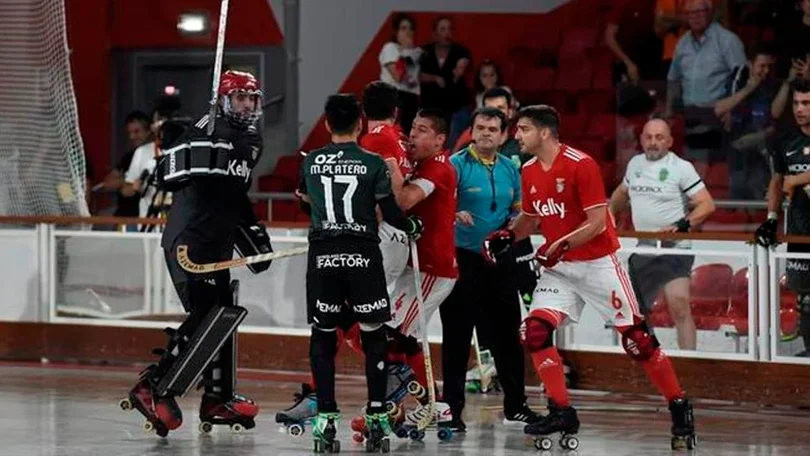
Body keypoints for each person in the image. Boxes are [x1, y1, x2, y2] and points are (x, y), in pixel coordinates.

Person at [483, 105, 697, 450]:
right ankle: (561, 410)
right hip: (561, 268)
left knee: (638, 341)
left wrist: (560, 245)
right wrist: (506, 236)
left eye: (522, 129)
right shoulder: (528, 170)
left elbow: (598, 222)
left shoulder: (581, 165)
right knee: (535, 332)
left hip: (599, 264)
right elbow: (529, 218)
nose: (516, 136)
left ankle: (679, 406)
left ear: (545, 133)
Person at [122, 71, 272, 436]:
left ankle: (217, 398)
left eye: (252, 98)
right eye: (240, 97)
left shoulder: (251, 140)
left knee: (224, 317)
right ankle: (153, 387)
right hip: (190, 241)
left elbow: (235, 194)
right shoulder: (205, 130)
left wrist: (253, 237)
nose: (248, 105)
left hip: (217, 242)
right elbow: (166, 174)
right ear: (222, 99)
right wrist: (190, 146)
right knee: (207, 315)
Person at [297, 93, 423, 450]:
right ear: (360, 124)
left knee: (323, 336)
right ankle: (378, 416)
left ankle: (324, 419)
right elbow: (392, 213)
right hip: (363, 255)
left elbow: (308, 203)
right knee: (373, 338)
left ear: (326, 124)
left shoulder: (311, 162)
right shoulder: (373, 164)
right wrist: (412, 227)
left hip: (323, 256)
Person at [442, 107, 540, 426]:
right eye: (480, 127)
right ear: (471, 131)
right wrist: (453, 215)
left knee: (508, 335)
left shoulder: (512, 168)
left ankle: (516, 404)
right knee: (458, 335)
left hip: (500, 259)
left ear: (504, 135)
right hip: (462, 259)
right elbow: (437, 208)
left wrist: (511, 227)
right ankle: (452, 410)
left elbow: (518, 210)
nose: (485, 133)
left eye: (492, 129)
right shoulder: (455, 166)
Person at [610, 117, 716, 350]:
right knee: (637, 311)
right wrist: (607, 215)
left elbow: (707, 205)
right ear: (641, 140)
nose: (653, 142)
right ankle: (649, 359)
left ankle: (688, 363)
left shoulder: (681, 168)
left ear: (669, 141)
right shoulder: (635, 164)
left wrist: (681, 226)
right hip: (643, 248)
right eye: (648, 137)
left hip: (674, 249)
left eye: (659, 137)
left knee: (678, 304)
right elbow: (620, 194)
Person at [387, 108, 460, 428]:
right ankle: (429, 404)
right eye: (412, 129)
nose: (412, 135)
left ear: (440, 139)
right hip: (413, 264)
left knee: (393, 333)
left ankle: (422, 405)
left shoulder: (439, 169)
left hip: (433, 269)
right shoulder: (421, 165)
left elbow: (404, 200)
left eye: (422, 131)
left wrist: (390, 165)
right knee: (400, 335)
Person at [756, 78, 810, 357]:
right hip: (799, 233)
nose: (800, 109)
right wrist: (771, 218)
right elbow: (777, 183)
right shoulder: (784, 140)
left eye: (806, 103)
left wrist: (797, 179)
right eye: (797, 103)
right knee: (804, 298)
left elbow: (790, 180)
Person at [101, 111, 151, 217]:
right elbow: (108, 183)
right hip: (124, 215)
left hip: (145, 217)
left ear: (149, 131)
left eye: (137, 132)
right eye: (129, 133)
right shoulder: (128, 157)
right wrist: (129, 180)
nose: (132, 137)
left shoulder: (157, 154)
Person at [378, 13, 422, 134]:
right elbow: (397, 76)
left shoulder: (417, 52)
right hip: (395, 97)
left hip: (412, 98)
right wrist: (406, 53)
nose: (407, 32)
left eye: (410, 28)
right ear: (396, 32)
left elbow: (418, 76)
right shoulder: (390, 48)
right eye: (403, 28)